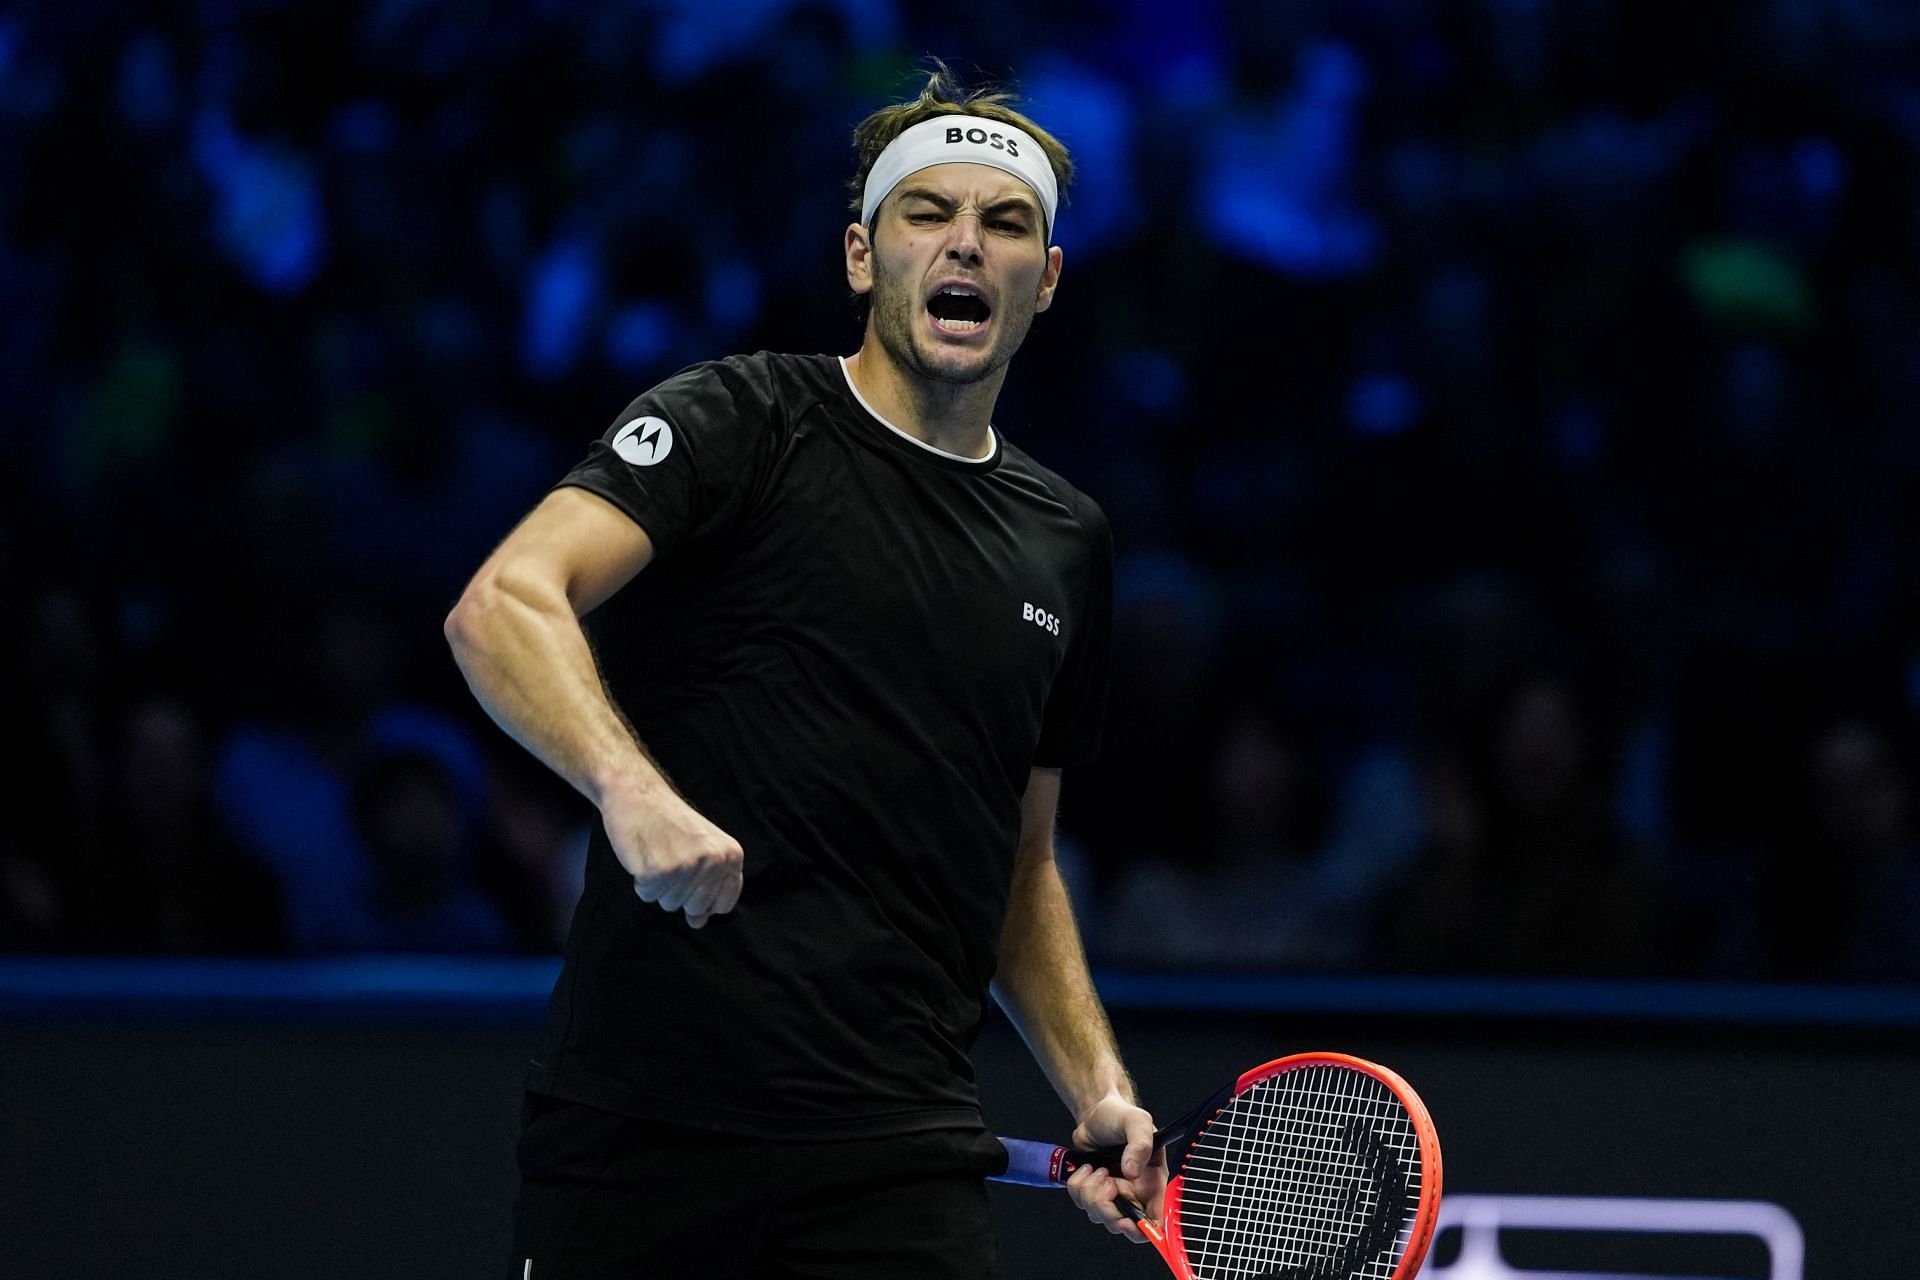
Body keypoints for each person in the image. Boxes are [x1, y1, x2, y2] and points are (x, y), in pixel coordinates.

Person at [445, 65, 1163, 1277]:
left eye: (1005, 224)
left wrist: (1097, 1083)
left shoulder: (1067, 538)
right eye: (927, 212)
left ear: (1044, 281)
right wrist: (631, 789)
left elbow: (1020, 858)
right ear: (859, 255)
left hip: (899, 1161)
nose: (964, 246)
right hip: (644, 1134)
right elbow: (504, 601)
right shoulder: (743, 419)